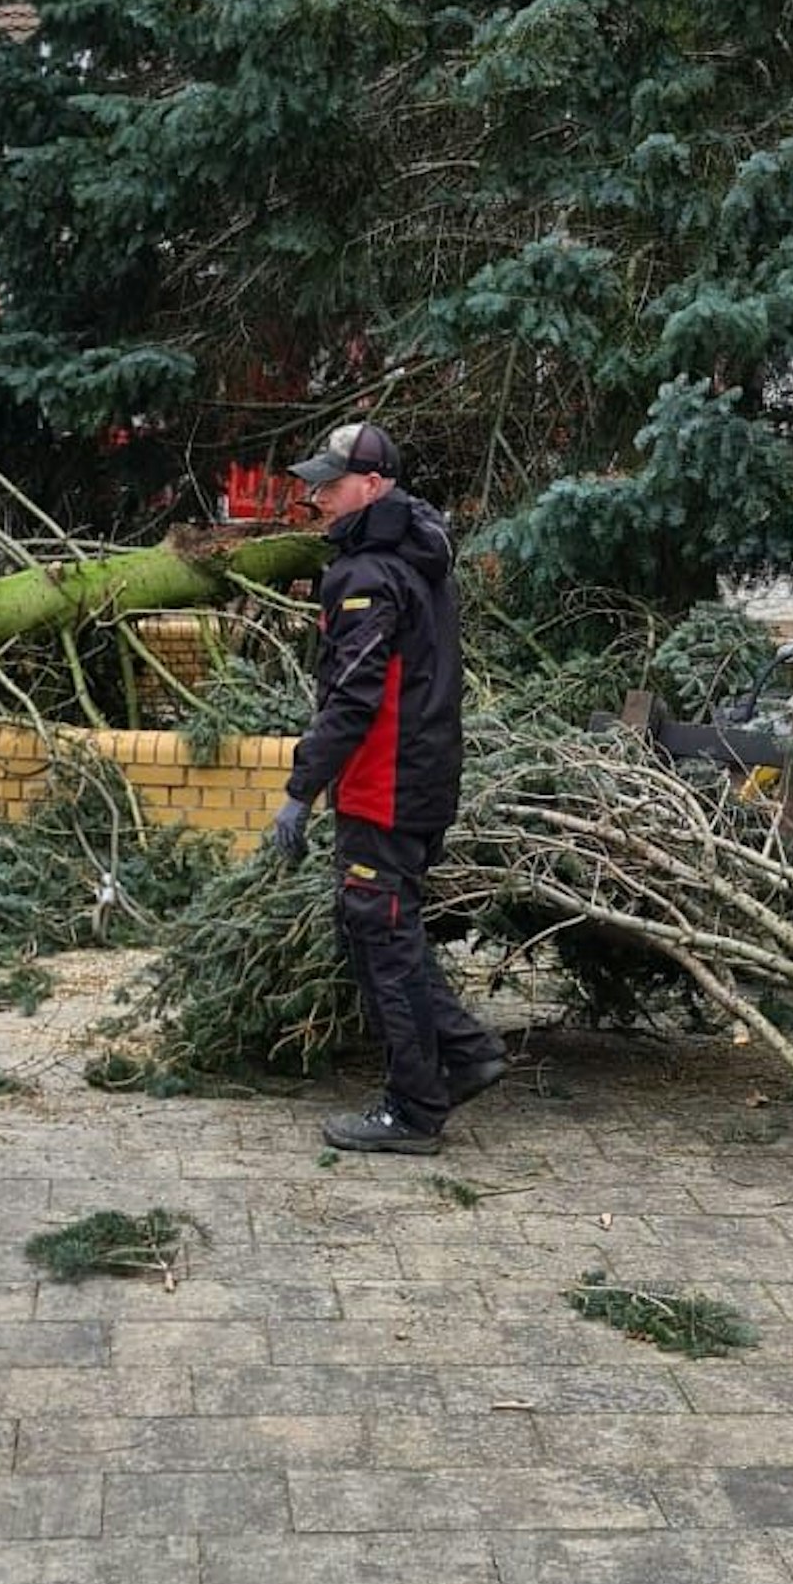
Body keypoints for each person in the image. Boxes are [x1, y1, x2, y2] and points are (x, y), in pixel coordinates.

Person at [268, 420, 505, 1153]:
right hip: (422, 778)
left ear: (372, 485)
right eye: (316, 485)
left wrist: (300, 790)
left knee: (382, 935)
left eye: (331, 485)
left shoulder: (369, 575)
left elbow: (352, 697)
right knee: (376, 927)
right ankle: (463, 1054)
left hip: (386, 785)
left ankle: (414, 1108)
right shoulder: (415, 555)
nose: (318, 499)